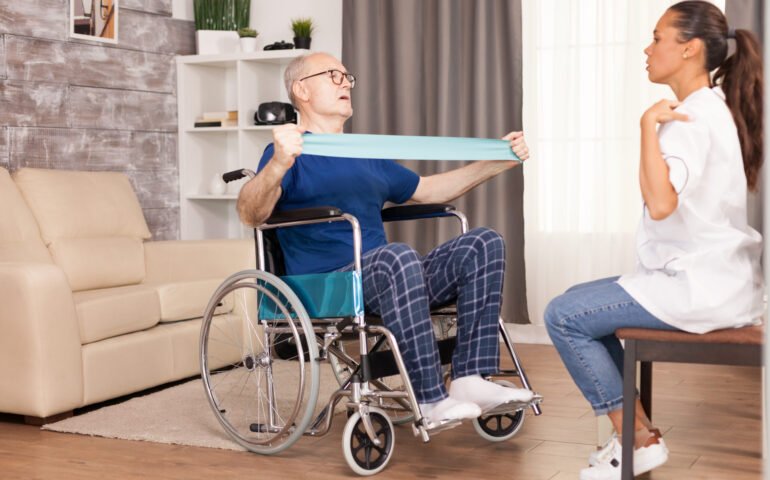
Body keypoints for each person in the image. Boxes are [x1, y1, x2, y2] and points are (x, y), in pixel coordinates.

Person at [237, 52, 535, 428]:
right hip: (331, 284)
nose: (345, 82)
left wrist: (498, 162)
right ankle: (429, 399)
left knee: (483, 244)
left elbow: (427, 190)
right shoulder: (290, 153)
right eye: (333, 75)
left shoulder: (364, 153)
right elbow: (250, 213)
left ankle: (469, 379)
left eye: (347, 77)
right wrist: (279, 162)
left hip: (389, 278)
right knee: (397, 257)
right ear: (301, 89)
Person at [544, 2, 764, 479]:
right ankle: (639, 435)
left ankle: (637, 441)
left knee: (563, 315)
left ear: (689, 49)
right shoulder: (708, 109)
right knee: (578, 301)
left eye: (657, 37)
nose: (648, 48)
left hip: (697, 288)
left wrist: (647, 126)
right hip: (713, 281)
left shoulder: (686, 120)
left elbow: (661, 203)